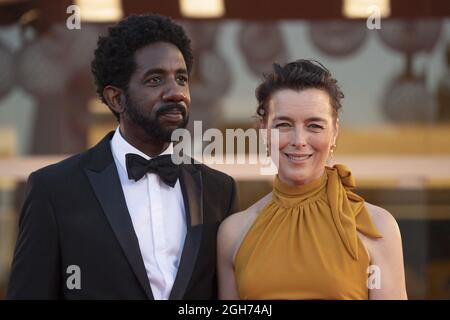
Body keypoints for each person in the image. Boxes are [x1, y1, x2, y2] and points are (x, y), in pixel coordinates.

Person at [7, 14, 238, 300]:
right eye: (155, 80)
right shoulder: (54, 190)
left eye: (181, 78)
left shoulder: (219, 191)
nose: (176, 92)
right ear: (116, 98)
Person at [217, 59, 407, 300]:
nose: (299, 140)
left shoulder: (378, 227)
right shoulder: (233, 233)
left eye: (314, 126)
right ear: (263, 130)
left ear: (334, 132)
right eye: (284, 124)